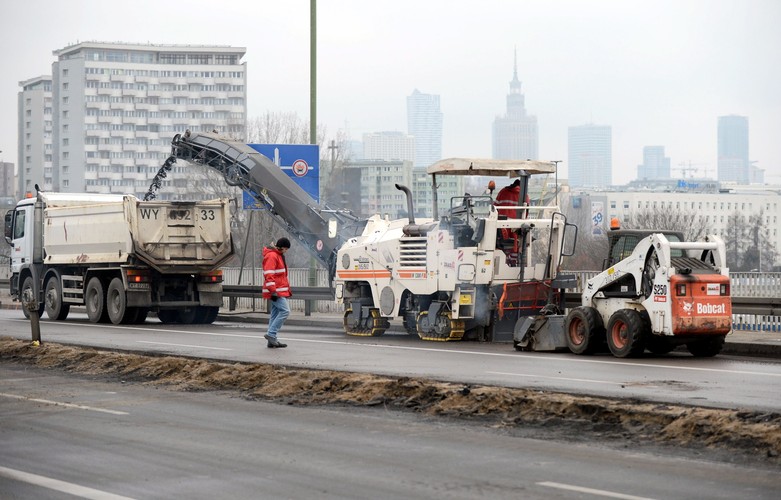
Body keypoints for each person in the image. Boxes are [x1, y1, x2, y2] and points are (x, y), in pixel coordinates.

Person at [262, 237, 292, 348]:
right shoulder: (272, 256)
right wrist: (273, 291)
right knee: (285, 311)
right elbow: (269, 274)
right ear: (282, 247)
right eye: (286, 249)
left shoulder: (277, 255)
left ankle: (271, 340)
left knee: (274, 314)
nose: (286, 251)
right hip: (275, 291)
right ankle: (271, 334)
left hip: (276, 290)